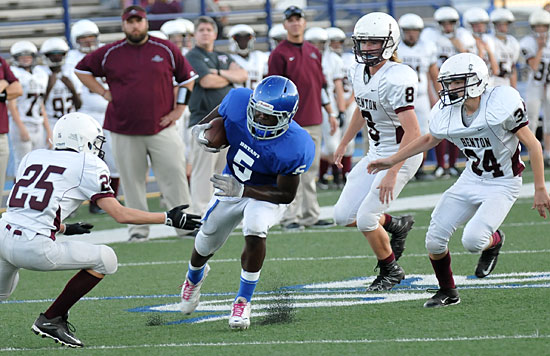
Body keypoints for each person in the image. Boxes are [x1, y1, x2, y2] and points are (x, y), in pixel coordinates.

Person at [0, 112, 201, 348]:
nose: (97, 147)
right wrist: (167, 218)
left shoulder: (33, 157)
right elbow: (120, 214)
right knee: (106, 259)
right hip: (33, 247)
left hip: (3, 236)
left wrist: (64, 227)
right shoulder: (88, 164)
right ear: (83, 140)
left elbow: (30, 206)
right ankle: (52, 318)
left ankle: (52, 319)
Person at [367, 53, 550, 307]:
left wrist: (539, 187)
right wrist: (392, 160)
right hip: (471, 178)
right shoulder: (447, 111)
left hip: (503, 182)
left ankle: (494, 240)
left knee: (473, 242)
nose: (449, 89)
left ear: (475, 81)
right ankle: (448, 292)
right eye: (448, 83)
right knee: (434, 238)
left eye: (455, 82)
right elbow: (431, 139)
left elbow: (534, 145)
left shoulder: (501, 103)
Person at [179, 76, 315, 329]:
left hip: (267, 193)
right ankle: (193, 278)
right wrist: (203, 128)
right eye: (257, 112)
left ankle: (243, 300)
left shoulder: (296, 144)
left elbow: (286, 195)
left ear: (288, 117)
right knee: (206, 238)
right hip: (233, 180)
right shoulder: (239, 100)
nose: (260, 119)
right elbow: (218, 114)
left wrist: (244, 190)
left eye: (269, 117)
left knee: (254, 227)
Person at [75, 6, 197, 241]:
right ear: (123, 25)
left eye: (138, 21)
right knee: (132, 183)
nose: (135, 26)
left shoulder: (166, 49)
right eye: (130, 22)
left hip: (162, 127)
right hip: (123, 129)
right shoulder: (111, 52)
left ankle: (185, 225)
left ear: (146, 23)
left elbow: (187, 79)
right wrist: (102, 91)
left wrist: (179, 109)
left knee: (175, 177)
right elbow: (81, 69)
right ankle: (138, 231)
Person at [332, 12, 422, 291]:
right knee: (343, 216)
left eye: (374, 41)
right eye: (363, 42)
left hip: (403, 152)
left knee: (366, 218)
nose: (367, 47)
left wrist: (393, 171)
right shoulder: (357, 70)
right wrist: (345, 141)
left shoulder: (398, 76)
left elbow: (414, 133)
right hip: (376, 151)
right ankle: (396, 224)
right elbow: (362, 105)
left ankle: (390, 269)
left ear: (390, 42)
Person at [268, 5, 337, 230]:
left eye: (299, 19)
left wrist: (330, 112)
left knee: (311, 170)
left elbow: (322, 85)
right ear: (285, 24)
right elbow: (273, 89)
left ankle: (311, 215)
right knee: (290, 171)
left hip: (315, 119)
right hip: (290, 122)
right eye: (291, 20)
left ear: (304, 23)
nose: (295, 23)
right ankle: (289, 217)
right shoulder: (278, 53)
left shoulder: (313, 51)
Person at [185, 16, 247, 217]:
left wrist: (218, 72)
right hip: (203, 121)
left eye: (208, 30)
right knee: (203, 172)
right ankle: (200, 213)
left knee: (223, 170)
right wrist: (224, 76)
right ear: (195, 34)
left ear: (215, 33)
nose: (205, 33)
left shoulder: (222, 56)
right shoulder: (192, 56)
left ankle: (218, 212)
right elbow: (207, 82)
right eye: (201, 29)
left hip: (226, 122)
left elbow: (242, 75)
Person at [66, 19, 121, 214]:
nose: (89, 42)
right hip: (84, 116)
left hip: (109, 114)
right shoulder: (71, 59)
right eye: (84, 39)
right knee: (84, 162)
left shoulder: (105, 54)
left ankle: (106, 201)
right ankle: (71, 204)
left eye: (92, 38)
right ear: (75, 40)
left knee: (114, 159)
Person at [421, 6, 476, 178]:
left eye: (450, 22)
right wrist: (434, 91)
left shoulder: (463, 37)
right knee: (439, 125)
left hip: (459, 86)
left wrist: (459, 45)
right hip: (439, 84)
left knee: (457, 125)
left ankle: (453, 164)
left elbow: (472, 60)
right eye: (443, 23)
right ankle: (440, 164)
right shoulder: (430, 38)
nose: (447, 26)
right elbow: (430, 67)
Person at [397, 13, 440, 181]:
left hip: (420, 96)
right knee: (400, 133)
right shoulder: (396, 47)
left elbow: (433, 73)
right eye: (408, 30)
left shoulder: (427, 47)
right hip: (399, 98)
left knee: (424, 133)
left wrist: (440, 96)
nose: (411, 34)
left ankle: (418, 168)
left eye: (414, 30)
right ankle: (400, 167)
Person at [304, 27, 346, 189]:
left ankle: (337, 176)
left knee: (332, 145)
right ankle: (317, 177)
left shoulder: (333, 60)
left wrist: (340, 110)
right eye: (313, 43)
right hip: (308, 105)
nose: (317, 46)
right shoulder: (303, 58)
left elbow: (338, 87)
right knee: (310, 146)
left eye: (320, 43)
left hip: (329, 105)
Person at [7, 41, 53, 172]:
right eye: (22, 56)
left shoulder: (40, 73)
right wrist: (21, 128)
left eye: (28, 56)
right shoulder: (15, 74)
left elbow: (41, 104)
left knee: (40, 164)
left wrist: (48, 130)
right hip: (22, 123)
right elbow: (12, 105)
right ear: (15, 58)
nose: (26, 58)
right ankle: (19, 192)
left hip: (38, 124)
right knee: (22, 164)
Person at [520, 9, 550, 166]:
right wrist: (540, 48)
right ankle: (533, 155)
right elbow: (534, 66)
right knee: (531, 120)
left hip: (548, 85)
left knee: (549, 122)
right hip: (534, 86)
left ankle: (547, 154)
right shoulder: (527, 42)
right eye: (537, 26)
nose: (540, 30)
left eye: (544, 26)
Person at [38, 38, 82, 134]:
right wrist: (49, 86)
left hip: (71, 122)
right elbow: (38, 107)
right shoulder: (41, 73)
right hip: (50, 122)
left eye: (59, 54)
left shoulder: (70, 72)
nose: (56, 58)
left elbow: (79, 104)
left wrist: (72, 88)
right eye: (52, 55)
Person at [0, 54, 23, 205]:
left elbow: (17, 89)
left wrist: (3, 87)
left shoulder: (0, 61)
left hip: (1, 132)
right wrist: (2, 84)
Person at [227, 24, 268, 90]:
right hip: (237, 98)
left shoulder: (260, 57)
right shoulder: (228, 59)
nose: (243, 41)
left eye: (247, 38)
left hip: (257, 98)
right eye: (238, 38)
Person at [463, 8, 499, 78]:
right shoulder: (466, 40)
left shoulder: (488, 39)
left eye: (482, 24)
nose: (480, 28)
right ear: (469, 25)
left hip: (489, 80)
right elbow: (473, 70)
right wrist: (480, 52)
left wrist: (489, 52)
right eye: (476, 25)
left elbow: (496, 71)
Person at [488, 8, 520, 88]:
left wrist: (514, 89)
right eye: (499, 24)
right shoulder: (488, 40)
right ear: (494, 25)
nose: (502, 28)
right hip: (491, 82)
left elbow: (512, 68)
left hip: (506, 82)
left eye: (505, 24)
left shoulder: (513, 42)